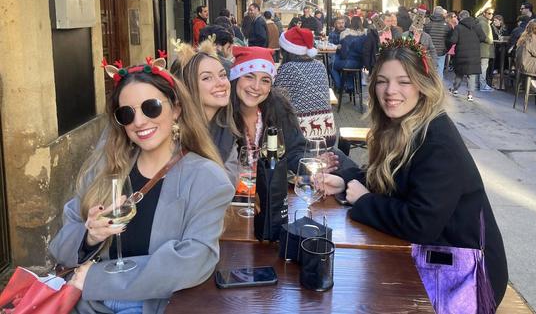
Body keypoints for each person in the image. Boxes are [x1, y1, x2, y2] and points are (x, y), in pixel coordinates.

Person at [49, 56, 234, 313]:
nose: (139, 122)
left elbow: (195, 260)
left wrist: (97, 278)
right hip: (86, 304)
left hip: (149, 304)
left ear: (176, 109)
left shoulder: (207, 178)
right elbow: (60, 247)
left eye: (152, 107)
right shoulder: (105, 171)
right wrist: (90, 237)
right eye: (127, 113)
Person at [329, 42, 508, 308]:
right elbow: (393, 180)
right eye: (382, 81)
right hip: (429, 256)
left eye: (404, 81)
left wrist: (365, 201)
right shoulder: (403, 126)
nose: (391, 91)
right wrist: (345, 179)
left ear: (423, 85)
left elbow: (421, 224)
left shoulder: (438, 142)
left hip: (467, 276)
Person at [229, 46, 357, 183]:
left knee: (341, 160)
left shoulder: (278, 107)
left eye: (265, 80)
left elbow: (294, 152)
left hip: (271, 193)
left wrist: (309, 163)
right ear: (236, 78)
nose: (256, 86)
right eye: (249, 76)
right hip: (233, 195)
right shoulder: (222, 114)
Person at [171, 50, 240, 186]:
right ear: (187, 86)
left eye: (222, 75)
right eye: (207, 78)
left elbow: (229, 183)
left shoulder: (226, 130)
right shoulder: (174, 133)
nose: (221, 83)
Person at [275, 27, 337, 147]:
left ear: (287, 51)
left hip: (302, 138)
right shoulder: (320, 66)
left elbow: (278, 101)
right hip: (328, 134)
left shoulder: (287, 69)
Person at [448, 10, 486, 101]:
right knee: (471, 75)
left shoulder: (458, 27)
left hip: (461, 54)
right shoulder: (477, 26)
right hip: (474, 54)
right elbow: (483, 38)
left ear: (460, 17)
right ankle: (470, 95)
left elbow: (453, 40)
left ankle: (455, 89)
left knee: (459, 73)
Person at [331, 16, 367, 94]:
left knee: (332, 66)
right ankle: (350, 86)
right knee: (348, 68)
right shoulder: (365, 35)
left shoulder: (346, 34)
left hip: (349, 62)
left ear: (350, 23)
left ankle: (341, 86)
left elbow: (344, 54)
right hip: (360, 64)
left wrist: (339, 50)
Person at [423, 6, 452, 78]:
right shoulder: (447, 25)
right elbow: (450, 39)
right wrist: (446, 48)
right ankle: (438, 87)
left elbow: (424, 37)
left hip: (429, 51)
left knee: (430, 70)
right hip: (441, 51)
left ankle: (430, 86)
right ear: (442, 13)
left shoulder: (428, 24)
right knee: (440, 70)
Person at [477, 8, 495, 91]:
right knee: (483, 67)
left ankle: (479, 84)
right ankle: (482, 85)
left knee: (481, 67)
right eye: (489, 13)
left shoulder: (483, 22)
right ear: (484, 13)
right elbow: (484, 36)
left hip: (483, 48)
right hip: (484, 48)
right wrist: (491, 40)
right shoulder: (483, 23)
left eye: (492, 14)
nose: (491, 15)